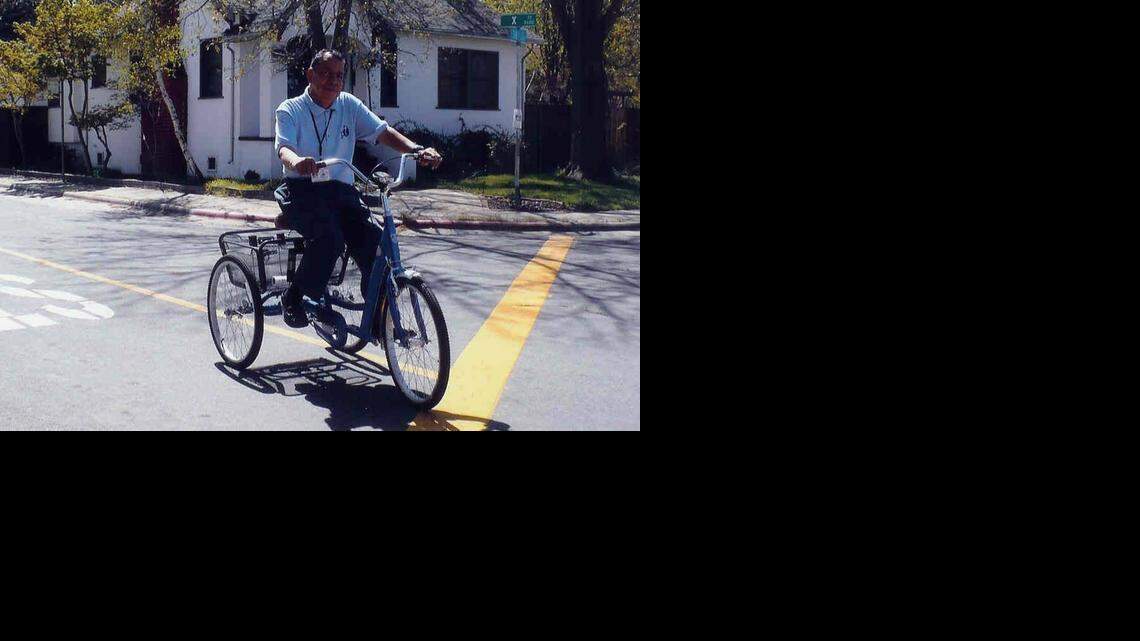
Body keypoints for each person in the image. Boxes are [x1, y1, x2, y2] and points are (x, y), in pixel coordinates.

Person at [273, 48, 443, 328]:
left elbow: (382, 132)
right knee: (330, 239)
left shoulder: (348, 105)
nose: (333, 81)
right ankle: (295, 298)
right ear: (310, 74)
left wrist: (417, 150)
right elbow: (284, 148)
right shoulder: (290, 109)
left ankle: (376, 315)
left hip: (341, 192)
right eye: (326, 74)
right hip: (301, 189)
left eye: (339, 76)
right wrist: (298, 162)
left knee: (377, 245)